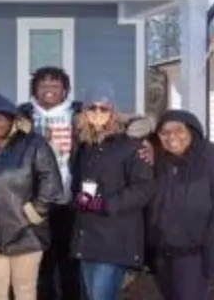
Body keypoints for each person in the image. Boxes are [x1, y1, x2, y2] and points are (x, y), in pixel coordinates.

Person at [0, 93, 63, 300]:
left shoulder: (34, 145)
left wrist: (36, 212)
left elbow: (51, 183)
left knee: (24, 293)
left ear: (13, 119)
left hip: (27, 235)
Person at [69, 86, 155, 300]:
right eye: (92, 107)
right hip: (87, 238)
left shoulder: (132, 145)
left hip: (114, 240)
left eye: (104, 108)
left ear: (113, 111)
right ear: (84, 112)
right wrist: (78, 199)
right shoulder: (84, 146)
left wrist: (106, 204)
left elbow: (143, 189)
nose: (98, 112)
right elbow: (78, 185)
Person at [146, 110, 214, 300]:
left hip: (193, 257)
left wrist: (212, 259)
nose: (172, 137)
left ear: (192, 130)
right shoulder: (162, 162)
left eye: (178, 130)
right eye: (164, 132)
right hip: (163, 255)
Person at [19, 66, 83, 300]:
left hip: (70, 200)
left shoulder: (81, 113)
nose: (49, 90)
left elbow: (113, 126)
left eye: (55, 85)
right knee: (39, 265)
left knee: (70, 264)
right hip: (36, 201)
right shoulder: (22, 115)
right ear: (34, 89)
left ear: (65, 90)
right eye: (43, 85)